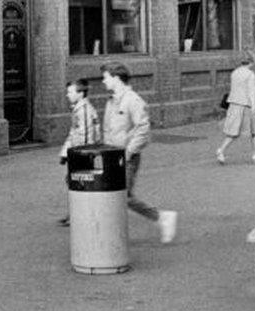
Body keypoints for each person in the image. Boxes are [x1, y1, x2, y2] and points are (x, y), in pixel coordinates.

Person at [100, 62, 177, 244]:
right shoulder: (111, 101)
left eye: (106, 77)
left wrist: (128, 153)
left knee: (123, 196)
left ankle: (162, 217)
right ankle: (111, 235)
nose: (103, 81)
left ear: (117, 78)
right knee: (114, 195)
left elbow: (143, 129)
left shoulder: (133, 100)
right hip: (111, 156)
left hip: (126, 158)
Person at [57, 78, 101, 225]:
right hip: (77, 152)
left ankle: (81, 215)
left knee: (80, 182)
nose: (67, 95)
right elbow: (73, 133)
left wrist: (80, 154)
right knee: (75, 181)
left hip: (83, 153)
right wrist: (65, 153)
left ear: (81, 93)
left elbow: (86, 136)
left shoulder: (84, 110)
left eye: (70, 92)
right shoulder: (78, 109)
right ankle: (75, 214)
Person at [216, 50, 255, 164]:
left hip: (234, 105)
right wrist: (254, 107)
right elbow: (252, 92)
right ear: (252, 61)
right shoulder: (250, 75)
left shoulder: (235, 73)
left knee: (233, 132)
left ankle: (221, 150)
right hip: (246, 106)